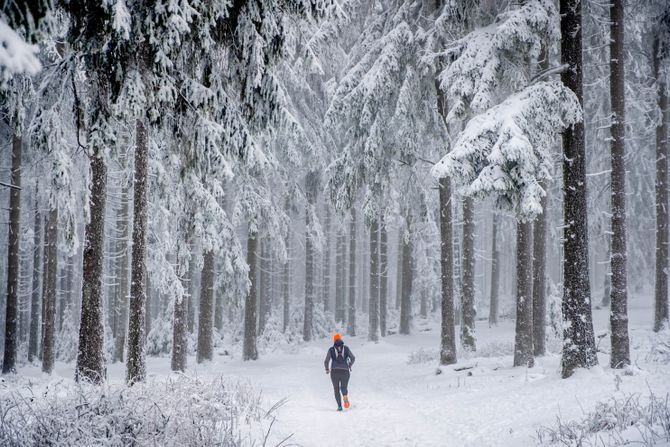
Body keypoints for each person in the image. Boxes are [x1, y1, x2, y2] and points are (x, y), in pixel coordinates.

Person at [324, 333, 355, 411]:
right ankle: (345, 396)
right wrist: (350, 365)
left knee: (336, 389)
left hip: (334, 372)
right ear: (341, 339)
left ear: (334, 340)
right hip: (345, 371)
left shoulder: (331, 349)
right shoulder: (346, 348)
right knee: (344, 387)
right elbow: (353, 357)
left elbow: (326, 361)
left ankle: (340, 407)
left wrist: (327, 369)